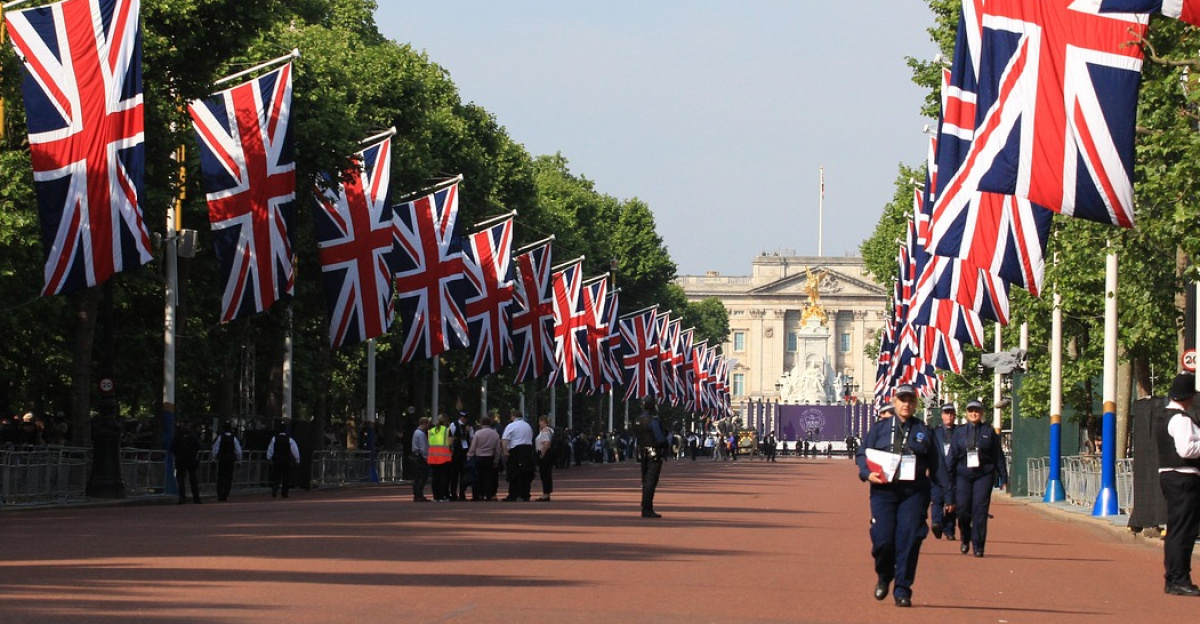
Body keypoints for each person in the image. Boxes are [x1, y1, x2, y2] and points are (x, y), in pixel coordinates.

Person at [855, 384, 950, 608]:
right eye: (902, 399)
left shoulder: (924, 431)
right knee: (883, 539)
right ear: (894, 402)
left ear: (915, 403)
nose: (906, 404)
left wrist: (948, 497)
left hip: (914, 492)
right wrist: (867, 474)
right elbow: (862, 454)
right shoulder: (879, 429)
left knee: (909, 539)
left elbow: (938, 467)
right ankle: (884, 574)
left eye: (910, 400)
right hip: (883, 491)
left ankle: (903, 589)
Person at [1157, 372, 1200, 596]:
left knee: (1177, 529)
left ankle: (1175, 577)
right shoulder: (1181, 419)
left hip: (1172, 477)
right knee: (1183, 530)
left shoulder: (1165, 416)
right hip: (1182, 478)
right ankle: (1178, 578)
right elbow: (1186, 450)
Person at [949, 399, 1007, 558]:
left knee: (980, 511)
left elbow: (997, 455)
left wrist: (1003, 475)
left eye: (977, 411)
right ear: (966, 414)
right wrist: (948, 476)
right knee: (963, 510)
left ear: (981, 413)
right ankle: (965, 537)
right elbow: (952, 456)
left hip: (983, 474)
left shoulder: (988, 431)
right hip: (963, 474)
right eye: (970, 411)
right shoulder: (959, 432)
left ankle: (979, 546)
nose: (974, 413)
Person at [634, 398, 669, 518]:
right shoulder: (652, 421)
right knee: (650, 481)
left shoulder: (637, 420)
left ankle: (645, 506)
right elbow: (660, 438)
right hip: (654, 453)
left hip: (642, 452)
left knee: (645, 480)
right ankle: (647, 508)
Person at [929, 403, 958, 540]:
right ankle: (937, 523)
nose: (949, 416)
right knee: (937, 499)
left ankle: (949, 529)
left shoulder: (959, 431)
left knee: (952, 502)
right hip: (938, 472)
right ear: (942, 415)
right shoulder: (935, 432)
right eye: (946, 413)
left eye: (951, 413)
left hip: (955, 472)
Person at [501, 410, 535, 501]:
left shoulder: (511, 426)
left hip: (516, 450)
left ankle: (513, 494)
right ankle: (525, 494)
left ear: (513, 416)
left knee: (514, 473)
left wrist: (505, 451)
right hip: (527, 450)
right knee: (526, 473)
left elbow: (504, 439)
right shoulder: (528, 426)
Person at [467, 415, 501, 501]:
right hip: (490, 457)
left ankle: (478, 495)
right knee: (489, 477)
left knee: (477, 477)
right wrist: (496, 459)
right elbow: (497, 448)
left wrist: (469, 455)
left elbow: (473, 446)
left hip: (479, 457)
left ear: (482, 423)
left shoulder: (478, 433)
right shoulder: (495, 434)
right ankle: (489, 495)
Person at [169, 421, 203, 504]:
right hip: (191, 459)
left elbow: (172, 447)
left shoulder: (178, 436)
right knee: (193, 478)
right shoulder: (193, 436)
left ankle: (182, 497)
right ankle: (196, 498)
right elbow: (200, 447)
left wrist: (177, 455)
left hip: (180, 459)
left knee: (180, 479)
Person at [266, 422, 300, 498]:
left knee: (276, 476)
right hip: (286, 460)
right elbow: (295, 450)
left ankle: (274, 490)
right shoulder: (289, 439)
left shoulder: (274, 439)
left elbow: (270, 449)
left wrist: (269, 458)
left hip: (277, 459)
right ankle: (285, 493)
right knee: (286, 477)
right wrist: (297, 460)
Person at [211, 422, 242, 502]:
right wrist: (239, 461)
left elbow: (215, 449)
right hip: (230, 460)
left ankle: (220, 494)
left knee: (220, 477)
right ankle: (225, 494)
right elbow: (238, 451)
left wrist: (213, 459)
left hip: (222, 459)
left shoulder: (220, 437)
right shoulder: (234, 438)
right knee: (229, 478)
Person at [427, 414, 453, 502]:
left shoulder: (431, 430)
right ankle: (442, 496)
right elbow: (450, 443)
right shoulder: (447, 430)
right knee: (443, 478)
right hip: (444, 457)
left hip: (433, 457)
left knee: (435, 478)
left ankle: (436, 496)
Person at [449, 411, 473, 501]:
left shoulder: (469, 427)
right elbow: (450, 437)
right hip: (456, 452)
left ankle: (462, 492)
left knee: (464, 474)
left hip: (465, 452)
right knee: (454, 474)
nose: (465, 420)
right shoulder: (454, 424)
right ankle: (453, 493)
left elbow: (472, 438)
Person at [410, 417, 431, 502]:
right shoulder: (421, 434)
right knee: (423, 476)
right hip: (421, 457)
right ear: (425, 424)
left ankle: (416, 494)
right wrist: (426, 457)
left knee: (417, 477)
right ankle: (419, 494)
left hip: (416, 455)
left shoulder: (416, 432)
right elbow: (423, 448)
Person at [535, 416, 555, 501]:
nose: (539, 423)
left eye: (540, 421)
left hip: (544, 454)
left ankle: (545, 493)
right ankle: (547, 492)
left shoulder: (544, 431)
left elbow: (546, 444)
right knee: (547, 474)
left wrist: (542, 454)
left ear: (543, 421)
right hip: (549, 454)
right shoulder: (550, 430)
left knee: (544, 474)